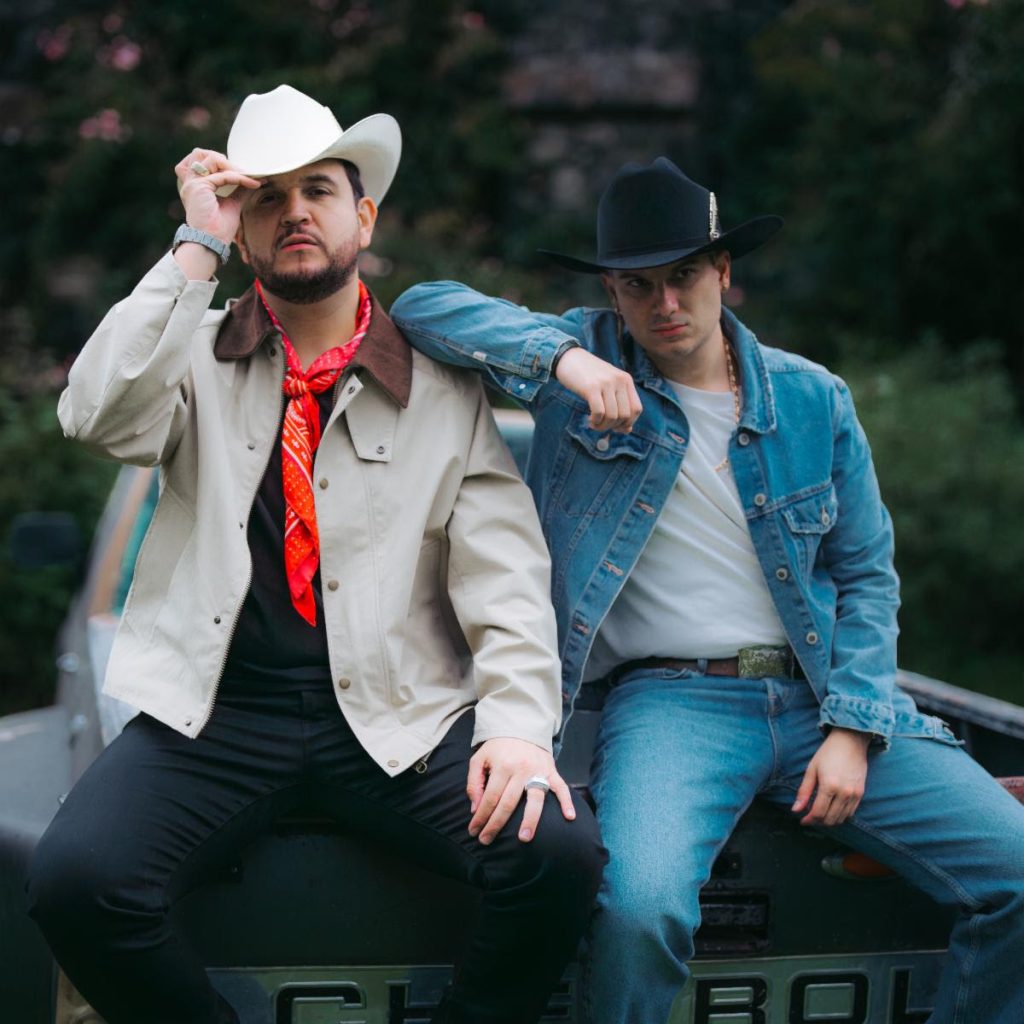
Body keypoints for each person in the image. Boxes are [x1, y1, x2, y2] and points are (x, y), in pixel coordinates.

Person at [390, 157, 1024, 1024]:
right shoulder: (578, 376)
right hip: (673, 703)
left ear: (724, 271)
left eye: (684, 275)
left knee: (1018, 874)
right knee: (636, 911)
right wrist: (567, 361)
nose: (665, 304)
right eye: (637, 285)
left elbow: (867, 577)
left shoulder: (813, 399)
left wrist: (854, 725)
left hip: (821, 696)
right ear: (611, 292)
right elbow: (421, 306)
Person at [26, 84, 605, 1024]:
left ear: (363, 218)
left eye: (319, 191)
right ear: (243, 229)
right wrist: (193, 247)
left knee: (558, 855)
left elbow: (504, 578)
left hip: (401, 715)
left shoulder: (442, 386)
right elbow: (93, 414)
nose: (294, 211)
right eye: (268, 197)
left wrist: (516, 728)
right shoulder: (189, 353)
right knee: (74, 879)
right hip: (218, 714)